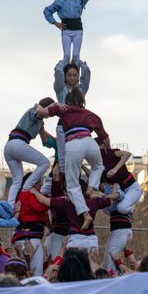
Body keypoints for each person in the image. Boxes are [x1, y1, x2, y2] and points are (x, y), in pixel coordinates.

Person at [37, 92, 108, 229]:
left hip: (73, 143)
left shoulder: (63, 109)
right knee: (99, 166)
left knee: (72, 185)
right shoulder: (91, 115)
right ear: (82, 101)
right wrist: (107, 148)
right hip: (89, 142)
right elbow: (104, 138)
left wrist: (55, 105)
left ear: (68, 102)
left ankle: (85, 214)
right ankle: (91, 188)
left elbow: (40, 111)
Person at [29, 184, 118, 254]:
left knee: (73, 270)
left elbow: (43, 200)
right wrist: (115, 188)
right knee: (91, 270)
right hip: (91, 238)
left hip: (74, 238)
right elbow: (112, 199)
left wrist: (34, 191)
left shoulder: (66, 202)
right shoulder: (94, 201)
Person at [5, 98, 58, 205]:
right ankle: (27, 188)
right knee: (44, 163)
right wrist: (40, 106)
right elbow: (38, 113)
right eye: (51, 112)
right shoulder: (34, 111)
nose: (50, 116)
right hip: (18, 144)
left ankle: (10, 207)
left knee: (17, 181)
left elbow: (44, 138)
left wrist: (57, 140)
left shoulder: (40, 121)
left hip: (9, 146)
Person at [43, 0, 94, 64]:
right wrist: (55, 22)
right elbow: (47, 11)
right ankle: (64, 77)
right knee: (66, 56)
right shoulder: (60, 1)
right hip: (66, 30)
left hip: (78, 30)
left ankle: (75, 78)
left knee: (75, 55)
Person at [13, 173, 50, 277]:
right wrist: (46, 198)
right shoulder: (30, 194)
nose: (41, 186)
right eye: (39, 184)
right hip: (31, 239)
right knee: (36, 272)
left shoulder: (19, 194)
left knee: (22, 272)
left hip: (21, 236)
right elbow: (40, 208)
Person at [97, 139, 142, 214]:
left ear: (103, 146)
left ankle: (131, 209)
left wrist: (115, 169)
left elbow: (127, 154)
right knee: (106, 208)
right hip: (120, 190)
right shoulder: (98, 162)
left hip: (131, 188)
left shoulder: (110, 153)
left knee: (121, 208)